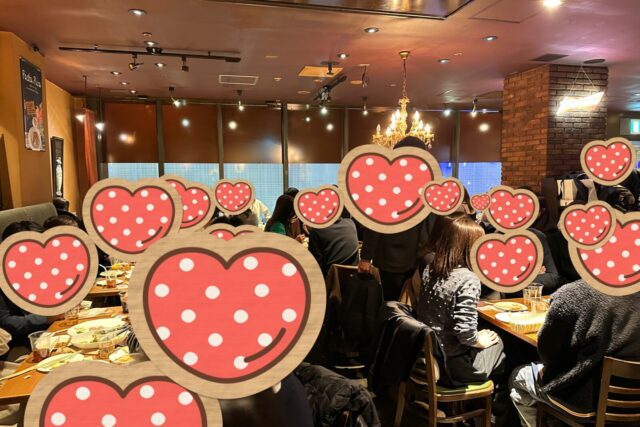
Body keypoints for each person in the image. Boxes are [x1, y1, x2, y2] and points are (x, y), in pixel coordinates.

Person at [509, 280, 640, 427]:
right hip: (634, 405)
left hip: (584, 403)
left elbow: (548, 355)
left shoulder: (573, 294)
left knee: (517, 376)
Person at [417, 212, 506, 386]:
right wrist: (479, 340)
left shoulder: (431, 267)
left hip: (430, 357)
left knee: (496, 348)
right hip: (453, 368)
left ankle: (492, 394)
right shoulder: (468, 278)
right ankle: (490, 397)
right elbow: (465, 334)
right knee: (500, 343)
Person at [358, 136, 430, 301]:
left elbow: (375, 223)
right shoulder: (424, 184)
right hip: (418, 257)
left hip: (391, 259)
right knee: (411, 303)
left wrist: (366, 257)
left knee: (392, 303)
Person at [307, 209, 359, 277]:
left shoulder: (316, 231)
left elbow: (315, 265)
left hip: (331, 278)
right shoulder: (351, 223)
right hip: (355, 276)